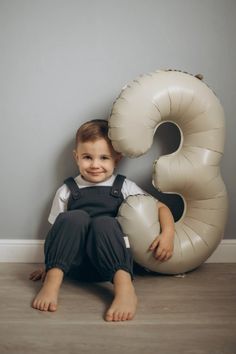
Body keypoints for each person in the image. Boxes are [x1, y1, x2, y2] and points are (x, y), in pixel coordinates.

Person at [30, 119, 175, 322]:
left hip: (111, 265)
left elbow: (160, 207)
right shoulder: (66, 190)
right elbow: (58, 233)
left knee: (104, 223)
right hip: (74, 266)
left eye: (104, 158)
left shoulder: (124, 186)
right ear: (76, 157)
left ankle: (125, 289)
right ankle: (52, 283)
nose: (95, 165)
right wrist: (49, 265)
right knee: (74, 218)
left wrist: (168, 234)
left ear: (117, 159)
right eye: (87, 157)